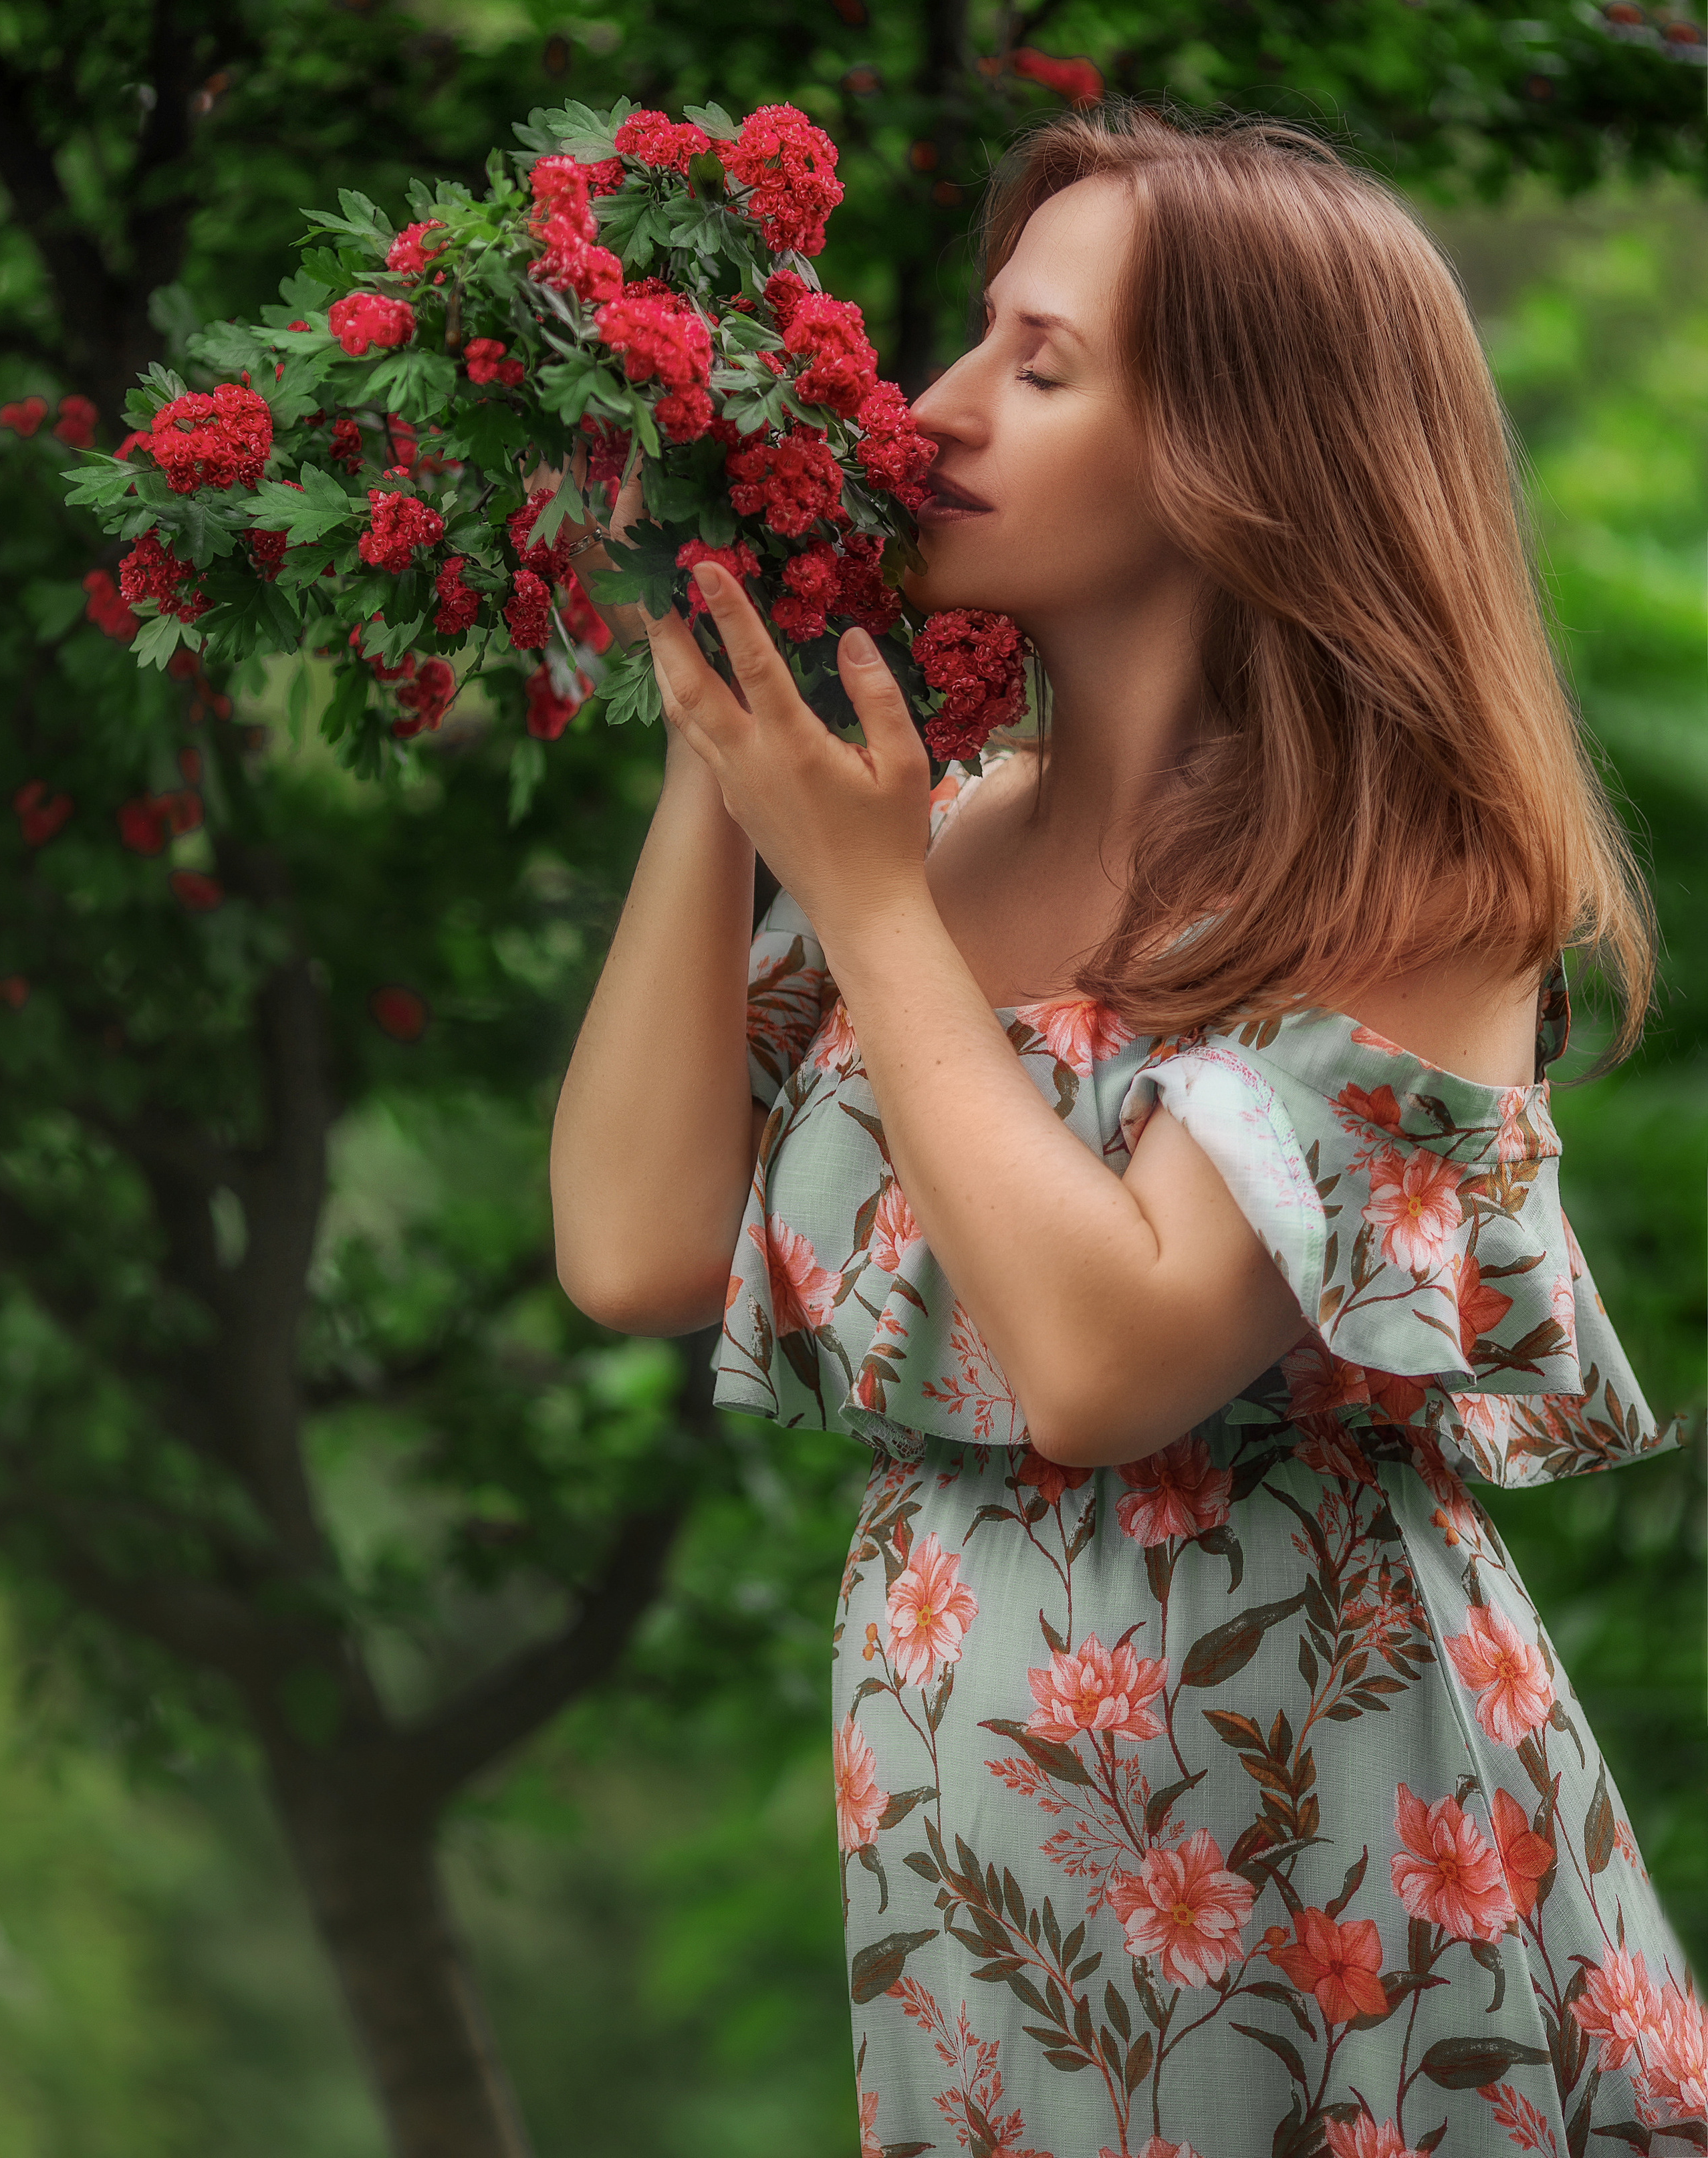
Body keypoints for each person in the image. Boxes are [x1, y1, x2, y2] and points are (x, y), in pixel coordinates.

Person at [552, 107, 1700, 2155]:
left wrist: (876, 900)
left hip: (1323, 1837)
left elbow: (1105, 1364)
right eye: (978, 338)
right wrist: (727, 754)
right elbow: (638, 1251)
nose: (937, 408)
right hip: (972, 1873)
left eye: (1042, 364)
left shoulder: (1410, 882)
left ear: (1243, 450)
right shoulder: (929, 831)